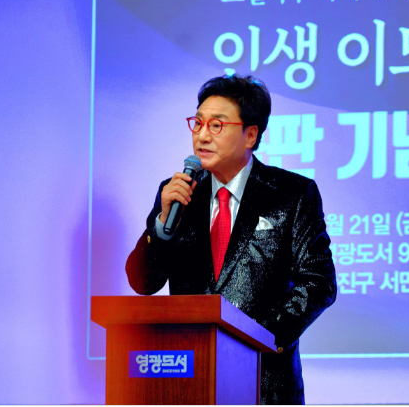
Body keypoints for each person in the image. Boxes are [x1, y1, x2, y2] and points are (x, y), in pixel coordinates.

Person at [126, 74, 337, 405]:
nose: (202, 135)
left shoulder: (292, 194)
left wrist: (255, 339)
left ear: (250, 134)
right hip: (187, 382)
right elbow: (142, 281)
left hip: (264, 383)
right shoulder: (178, 193)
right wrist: (161, 225)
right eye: (198, 123)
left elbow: (319, 282)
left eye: (217, 125)